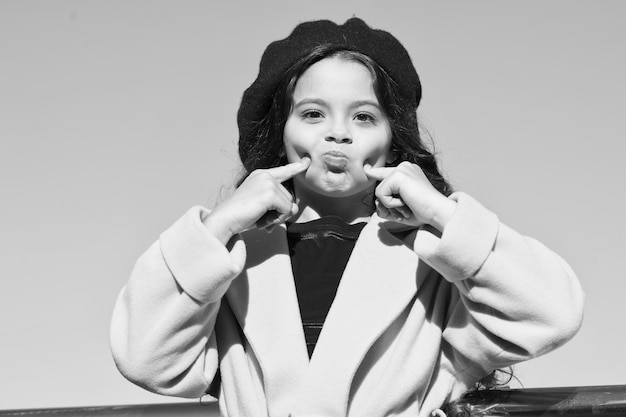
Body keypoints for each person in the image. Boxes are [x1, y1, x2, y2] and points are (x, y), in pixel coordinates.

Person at [110, 17, 584, 417]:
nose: (338, 133)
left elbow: (552, 314)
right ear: (281, 134)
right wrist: (215, 229)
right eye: (313, 114)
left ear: (393, 141)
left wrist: (442, 212)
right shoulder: (233, 263)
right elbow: (145, 360)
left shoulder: (435, 259)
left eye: (363, 117)